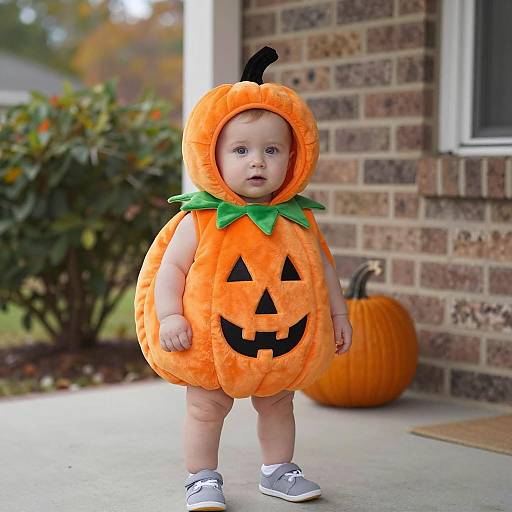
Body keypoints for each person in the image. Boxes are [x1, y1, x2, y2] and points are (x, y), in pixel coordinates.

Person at [154, 106, 353, 511]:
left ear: (293, 158)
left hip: (280, 340)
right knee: (205, 408)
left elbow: (322, 273)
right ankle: (201, 478)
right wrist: (169, 315)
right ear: (215, 157)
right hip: (210, 338)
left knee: (279, 403)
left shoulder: (298, 222)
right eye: (241, 150)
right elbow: (170, 269)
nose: (258, 161)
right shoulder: (202, 218)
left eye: (273, 150)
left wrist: (338, 315)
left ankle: (278, 470)